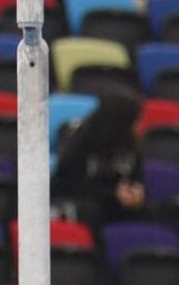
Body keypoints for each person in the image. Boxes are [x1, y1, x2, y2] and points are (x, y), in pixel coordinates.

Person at [51, 91, 147, 227]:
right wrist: (113, 194)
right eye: (136, 121)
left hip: (115, 206)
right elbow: (68, 185)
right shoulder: (81, 142)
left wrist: (136, 194)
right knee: (91, 210)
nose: (140, 127)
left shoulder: (132, 148)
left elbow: (136, 180)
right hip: (82, 203)